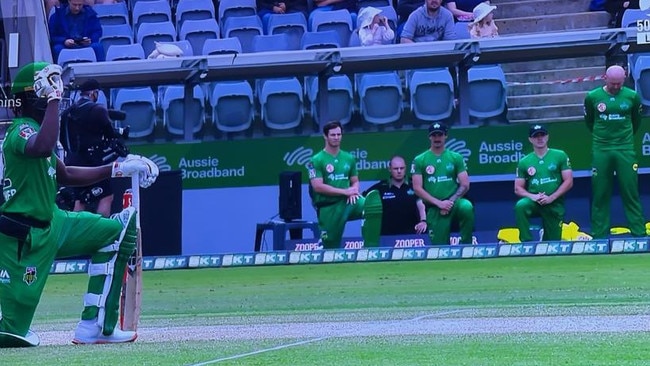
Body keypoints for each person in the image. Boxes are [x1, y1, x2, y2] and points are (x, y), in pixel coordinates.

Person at [0, 62, 158, 347]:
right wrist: (53, 100)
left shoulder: (37, 129)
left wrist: (118, 168)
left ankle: (97, 326)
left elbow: (66, 174)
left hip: (54, 221)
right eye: (48, 91)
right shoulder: (21, 129)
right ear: (33, 97)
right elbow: (42, 146)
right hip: (24, 236)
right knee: (12, 332)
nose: (56, 97)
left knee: (117, 230)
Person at [584, 65, 646, 239]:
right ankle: (599, 235)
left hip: (625, 149)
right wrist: (603, 139)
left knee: (630, 192)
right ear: (605, 78)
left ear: (624, 79)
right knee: (600, 193)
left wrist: (622, 140)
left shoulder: (632, 96)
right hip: (601, 149)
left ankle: (639, 234)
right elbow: (590, 121)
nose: (616, 87)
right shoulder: (593, 97)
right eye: (613, 84)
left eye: (619, 83)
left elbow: (636, 121)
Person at [60, 79, 128, 218]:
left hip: (73, 162)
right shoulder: (98, 110)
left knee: (80, 199)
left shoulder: (68, 112)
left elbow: (62, 138)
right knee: (106, 196)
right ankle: (101, 233)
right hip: (93, 163)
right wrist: (121, 132)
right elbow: (110, 133)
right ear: (93, 93)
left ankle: (76, 233)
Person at [411, 122, 474, 244]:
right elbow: (417, 188)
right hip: (434, 206)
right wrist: (439, 203)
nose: (437, 138)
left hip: (454, 202)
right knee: (439, 248)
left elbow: (465, 184)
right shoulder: (420, 160)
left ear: (445, 136)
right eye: (434, 135)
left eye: (440, 135)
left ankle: (466, 243)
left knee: (466, 207)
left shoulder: (456, 157)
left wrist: (449, 202)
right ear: (429, 137)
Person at [307, 121, 366, 249]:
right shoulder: (316, 160)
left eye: (339, 134)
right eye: (333, 135)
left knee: (372, 207)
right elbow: (318, 187)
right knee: (330, 247)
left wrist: (354, 190)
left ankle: (370, 248)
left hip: (349, 202)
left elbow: (355, 180)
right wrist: (346, 192)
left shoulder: (349, 158)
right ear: (325, 136)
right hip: (329, 206)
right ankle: (323, 246)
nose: (336, 137)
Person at [514, 125, 574, 242]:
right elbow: (518, 188)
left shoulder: (560, 155)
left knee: (553, 243)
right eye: (536, 136)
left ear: (547, 137)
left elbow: (569, 181)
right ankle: (526, 242)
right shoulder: (524, 161)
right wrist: (534, 196)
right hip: (534, 201)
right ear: (530, 140)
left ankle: (546, 237)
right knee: (521, 206)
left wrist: (552, 197)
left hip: (554, 202)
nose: (540, 138)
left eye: (542, 135)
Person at [362, 156, 427, 236]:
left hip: (412, 235)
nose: (399, 171)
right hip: (386, 236)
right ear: (390, 169)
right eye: (396, 169)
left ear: (405, 168)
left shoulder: (414, 185)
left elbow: (421, 204)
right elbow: (363, 199)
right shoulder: (381, 187)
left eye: (401, 168)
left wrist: (423, 221)